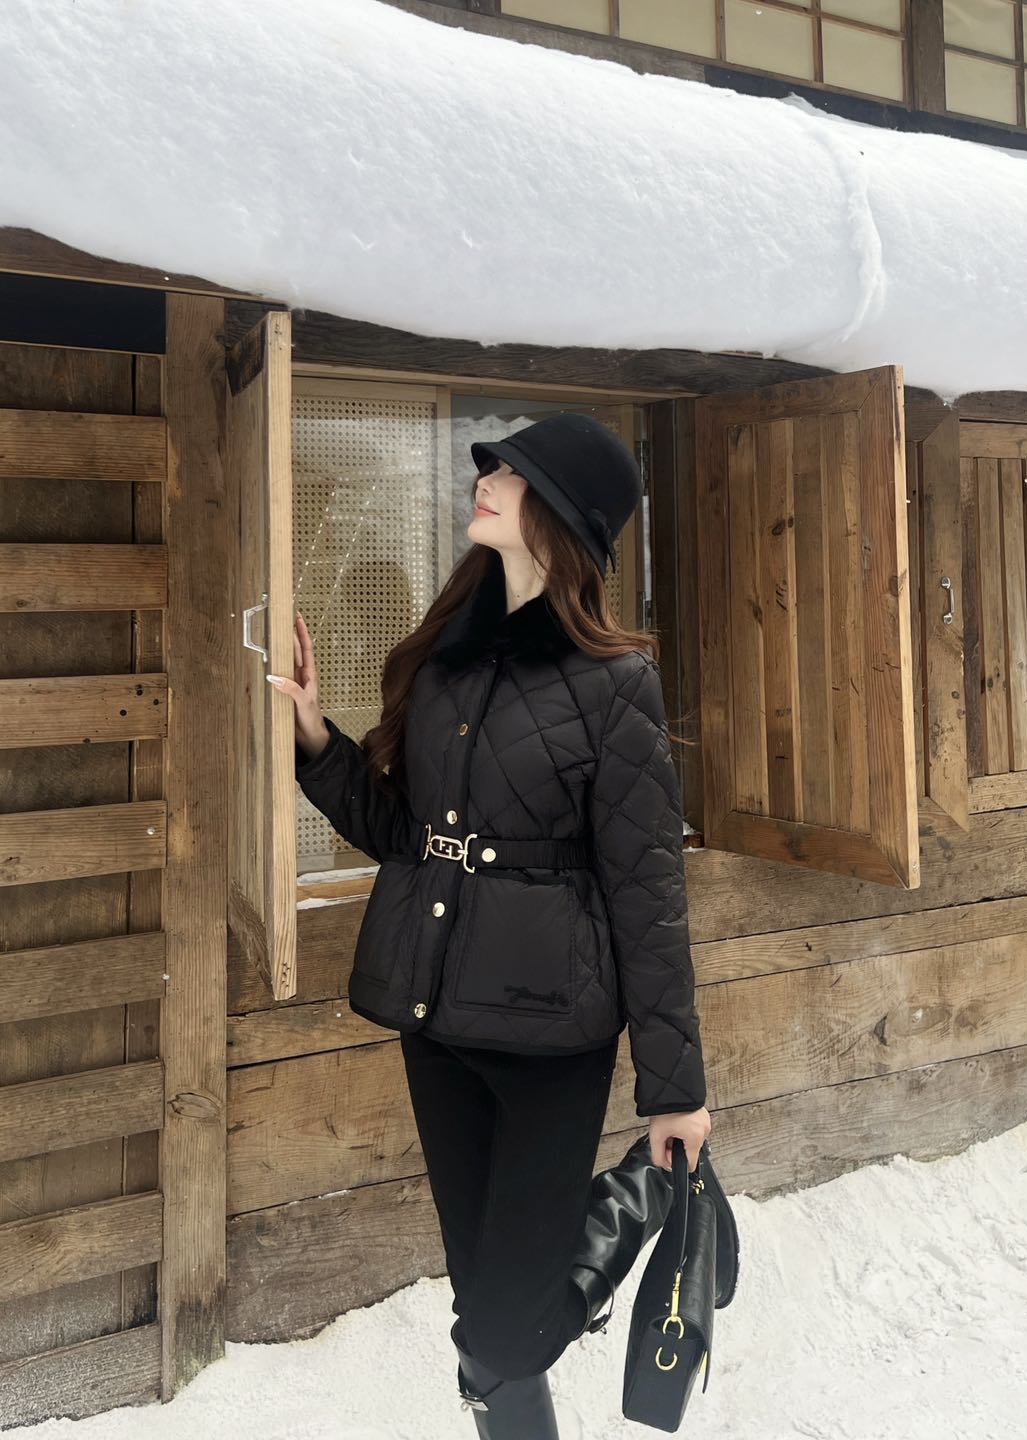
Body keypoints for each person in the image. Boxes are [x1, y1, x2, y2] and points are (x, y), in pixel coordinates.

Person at [272, 412, 711, 1440]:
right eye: (492, 466)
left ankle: (632, 1199)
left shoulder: (617, 685)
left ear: (561, 514)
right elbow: (407, 834)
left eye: (512, 472)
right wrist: (318, 740)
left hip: (552, 1041)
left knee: (509, 1331)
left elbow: (648, 895)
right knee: (483, 1321)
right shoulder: (447, 664)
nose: (486, 477)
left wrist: (675, 1093)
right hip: (441, 1024)